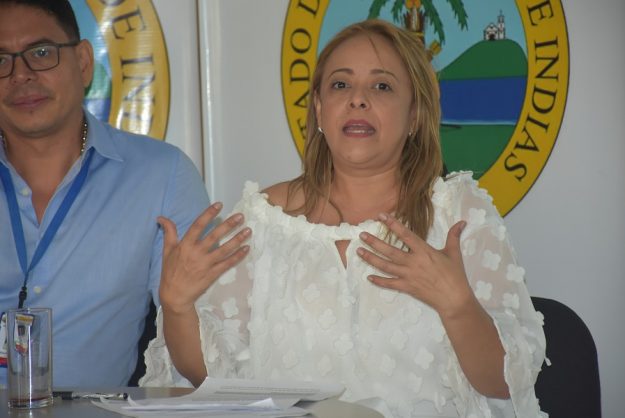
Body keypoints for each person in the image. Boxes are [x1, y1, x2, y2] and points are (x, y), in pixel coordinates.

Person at [141, 19, 547, 418]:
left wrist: (457, 306)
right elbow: (213, 379)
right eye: (340, 85)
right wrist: (177, 307)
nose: (358, 99)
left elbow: (505, 384)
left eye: (382, 86)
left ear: (415, 115)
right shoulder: (262, 218)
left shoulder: (458, 214)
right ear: (319, 109)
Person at [0, 0, 209, 387]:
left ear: (82, 62)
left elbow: (205, 352)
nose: (20, 75)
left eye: (41, 53)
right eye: (1, 60)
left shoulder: (160, 175)